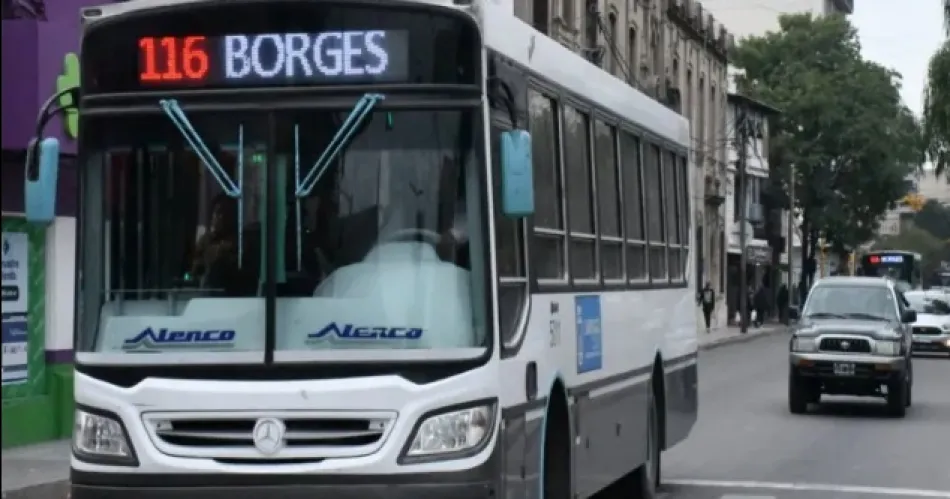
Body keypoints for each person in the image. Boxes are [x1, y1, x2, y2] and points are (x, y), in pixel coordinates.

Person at [191, 194, 239, 290]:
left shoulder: (239, 242)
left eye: (225, 213)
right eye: (217, 213)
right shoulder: (205, 240)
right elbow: (195, 271)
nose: (220, 217)